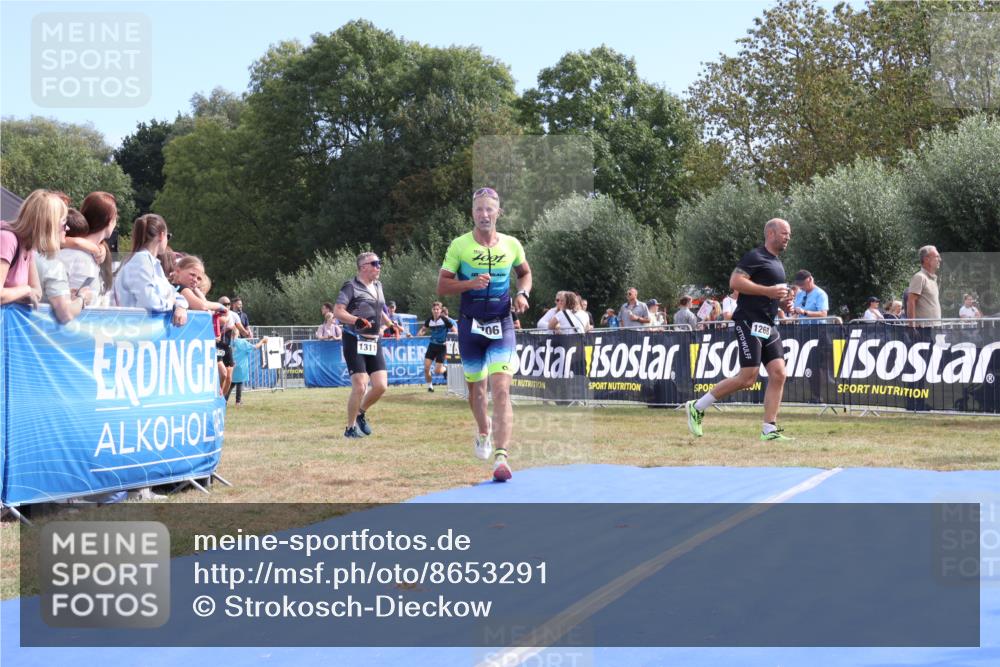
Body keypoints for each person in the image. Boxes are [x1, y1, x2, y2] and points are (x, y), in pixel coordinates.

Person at [438, 187, 531, 482]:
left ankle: (502, 457)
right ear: (472, 213)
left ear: (498, 213)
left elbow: (525, 273)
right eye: (479, 209)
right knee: (477, 391)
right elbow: (442, 286)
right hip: (470, 326)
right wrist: (470, 284)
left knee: (502, 390)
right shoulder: (460, 246)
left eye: (489, 209)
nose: (484, 214)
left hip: (502, 324)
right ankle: (483, 431)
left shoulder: (512, 244)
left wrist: (523, 293)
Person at [686, 218, 795, 441]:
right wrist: (768, 291)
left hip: (768, 324)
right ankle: (697, 406)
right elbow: (735, 282)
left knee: (779, 373)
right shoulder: (755, 256)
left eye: (789, 234)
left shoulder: (777, 262)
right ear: (771, 233)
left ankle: (769, 429)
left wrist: (782, 302)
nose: (788, 237)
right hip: (748, 322)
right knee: (747, 378)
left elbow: (770, 294)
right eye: (784, 233)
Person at [334, 251, 396, 438]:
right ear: (363, 267)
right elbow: (338, 311)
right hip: (354, 339)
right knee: (361, 386)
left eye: (379, 262)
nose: (379, 266)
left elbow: (380, 310)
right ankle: (350, 428)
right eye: (375, 263)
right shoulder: (350, 286)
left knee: (381, 386)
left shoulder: (378, 285)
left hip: (373, 341)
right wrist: (355, 320)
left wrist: (391, 324)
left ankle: (361, 412)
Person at [112, 214, 188, 325]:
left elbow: (173, 293)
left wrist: (180, 306)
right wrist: (171, 303)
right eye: (168, 236)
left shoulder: (151, 263)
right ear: (162, 235)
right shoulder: (141, 261)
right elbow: (149, 301)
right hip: (134, 330)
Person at [1, 189, 61, 308]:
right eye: (63, 221)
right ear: (49, 224)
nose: (66, 227)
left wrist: (26, 292)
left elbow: (37, 293)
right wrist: (26, 290)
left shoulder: (27, 247)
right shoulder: (7, 239)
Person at [36, 210, 93, 324]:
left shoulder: (30, 255)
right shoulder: (53, 265)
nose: (67, 229)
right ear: (51, 227)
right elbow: (66, 314)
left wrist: (64, 295)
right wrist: (82, 298)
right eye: (64, 224)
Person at [416, 301, 457, 392]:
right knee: (426, 368)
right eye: (434, 309)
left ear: (440, 310)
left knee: (437, 371)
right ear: (432, 310)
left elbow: (455, 331)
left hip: (442, 347)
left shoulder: (445, 320)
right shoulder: (429, 320)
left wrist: (448, 341)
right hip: (432, 346)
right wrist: (419, 333)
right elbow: (423, 330)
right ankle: (430, 387)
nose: (436, 311)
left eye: (437, 309)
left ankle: (446, 369)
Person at [906, 245, 941, 327]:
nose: (940, 259)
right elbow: (911, 301)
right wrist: (912, 326)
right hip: (923, 329)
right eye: (937, 256)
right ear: (926, 259)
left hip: (933, 328)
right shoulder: (919, 277)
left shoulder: (932, 279)